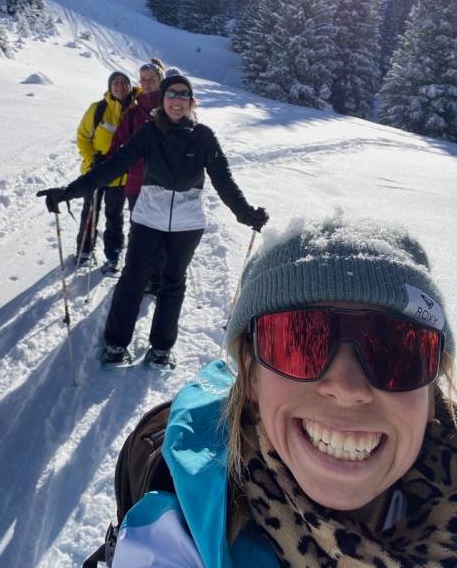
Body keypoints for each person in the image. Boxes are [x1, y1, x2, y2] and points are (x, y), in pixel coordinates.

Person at [109, 215, 457, 566]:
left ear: (431, 394)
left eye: (396, 352)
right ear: (251, 374)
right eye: (300, 342)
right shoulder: (178, 535)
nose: (347, 388)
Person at [38, 74, 268, 369]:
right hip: (148, 220)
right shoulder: (148, 133)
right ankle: (115, 345)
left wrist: (246, 214)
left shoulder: (204, 137)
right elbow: (112, 167)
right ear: (162, 99)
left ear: (191, 101)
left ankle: (161, 348)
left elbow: (224, 180)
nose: (177, 100)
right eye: (171, 93)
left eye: (184, 95)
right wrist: (70, 191)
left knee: (172, 284)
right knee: (133, 280)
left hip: (186, 225)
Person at [110, 59, 165, 293]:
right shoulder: (133, 113)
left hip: (164, 183)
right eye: (143, 80)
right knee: (139, 231)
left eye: (151, 79)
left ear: (160, 80)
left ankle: (157, 277)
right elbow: (117, 145)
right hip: (136, 184)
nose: (147, 83)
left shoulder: (171, 107)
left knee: (162, 231)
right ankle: (139, 276)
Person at [74, 70, 136, 271]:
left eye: (124, 82)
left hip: (120, 175)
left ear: (129, 86)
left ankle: (113, 254)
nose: (120, 86)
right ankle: (84, 250)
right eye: (115, 82)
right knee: (90, 211)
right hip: (95, 170)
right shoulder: (97, 109)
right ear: (110, 86)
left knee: (114, 215)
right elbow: (83, 136)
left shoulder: (136, 109)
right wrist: (93, 158)